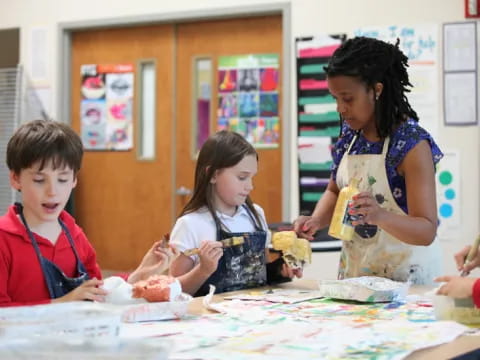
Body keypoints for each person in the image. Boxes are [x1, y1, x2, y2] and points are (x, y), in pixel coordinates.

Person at [293, 36, 444, 284]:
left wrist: (380, 216)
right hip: (358, 276)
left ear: (377, 90)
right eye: (335, 99)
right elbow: (334, 190)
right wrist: (315, 220)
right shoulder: (349, 138)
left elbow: (426, 230)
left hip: (407, 280)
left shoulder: (411, 145)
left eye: (348, 98)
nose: (340, 108)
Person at [0, 120, 178, 307]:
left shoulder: (73, 235)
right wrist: (63, 303)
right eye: (39, 180)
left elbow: (98, 294)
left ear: (74, 180)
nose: (52, 191)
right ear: (16, 178)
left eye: (62, 179)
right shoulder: (4, 238)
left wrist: (140, 274)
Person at [169, 130, 301, 296]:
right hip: (210, 317)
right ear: (213, 174)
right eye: (242, 177)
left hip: (252, 313)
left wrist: (280, 271)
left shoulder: (256, 215)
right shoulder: (190, 224)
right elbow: (173, 291)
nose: (250, 186)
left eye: (252, 177)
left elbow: (261, 274)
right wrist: (203, 270)